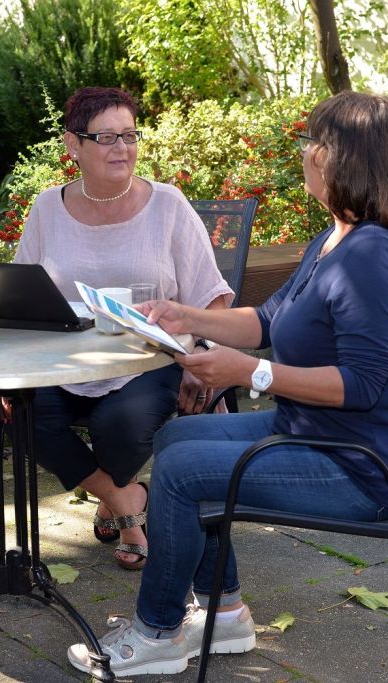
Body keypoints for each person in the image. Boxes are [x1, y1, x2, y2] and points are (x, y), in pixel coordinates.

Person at [67, 90, 388, 676]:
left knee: (183, 473)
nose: (305, 153)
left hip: (365, 465)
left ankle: (157, 632)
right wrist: (187, 317)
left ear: (342, 159)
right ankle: (225, 612)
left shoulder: (371, 258)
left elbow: (361, 386)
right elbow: (267, 321)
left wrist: (249, 372)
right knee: (176, 439)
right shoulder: (339, 237)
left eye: (313, 142)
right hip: (319, 432)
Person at [13, 87, 232, 570]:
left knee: (118, 425)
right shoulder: (48, 207)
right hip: (65, 361)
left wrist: (201, 356)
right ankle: (125, 499)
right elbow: (22, 289)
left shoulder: (167, 205)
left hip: (150, 359)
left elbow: (211, 295)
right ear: (73, 145)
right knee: (21, 415)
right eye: (106, 137)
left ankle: (115, 506)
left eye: (130, 135)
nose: (122, 148)